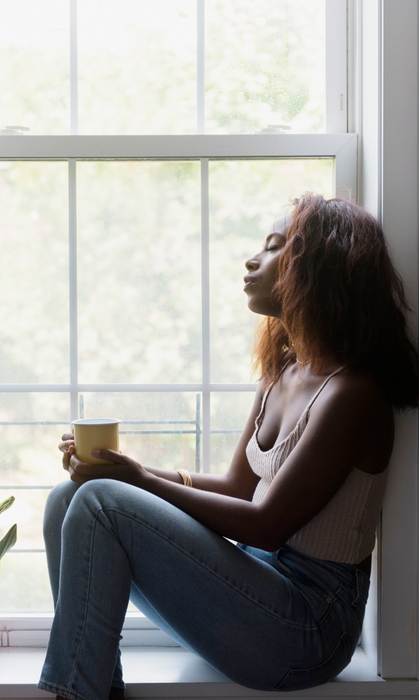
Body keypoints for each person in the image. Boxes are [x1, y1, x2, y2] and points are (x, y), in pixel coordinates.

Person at [38, 193, 419, 700]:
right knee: (67, 499)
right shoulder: (283, 372)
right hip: (252, 594)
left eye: (275, 247)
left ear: (319, 266)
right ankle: (96, 689)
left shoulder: (352, 395)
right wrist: (122, 469)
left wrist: (139, 482)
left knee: (100, 501)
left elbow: (266, 523)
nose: (252, 260)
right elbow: (241, 488)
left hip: (308, 629)